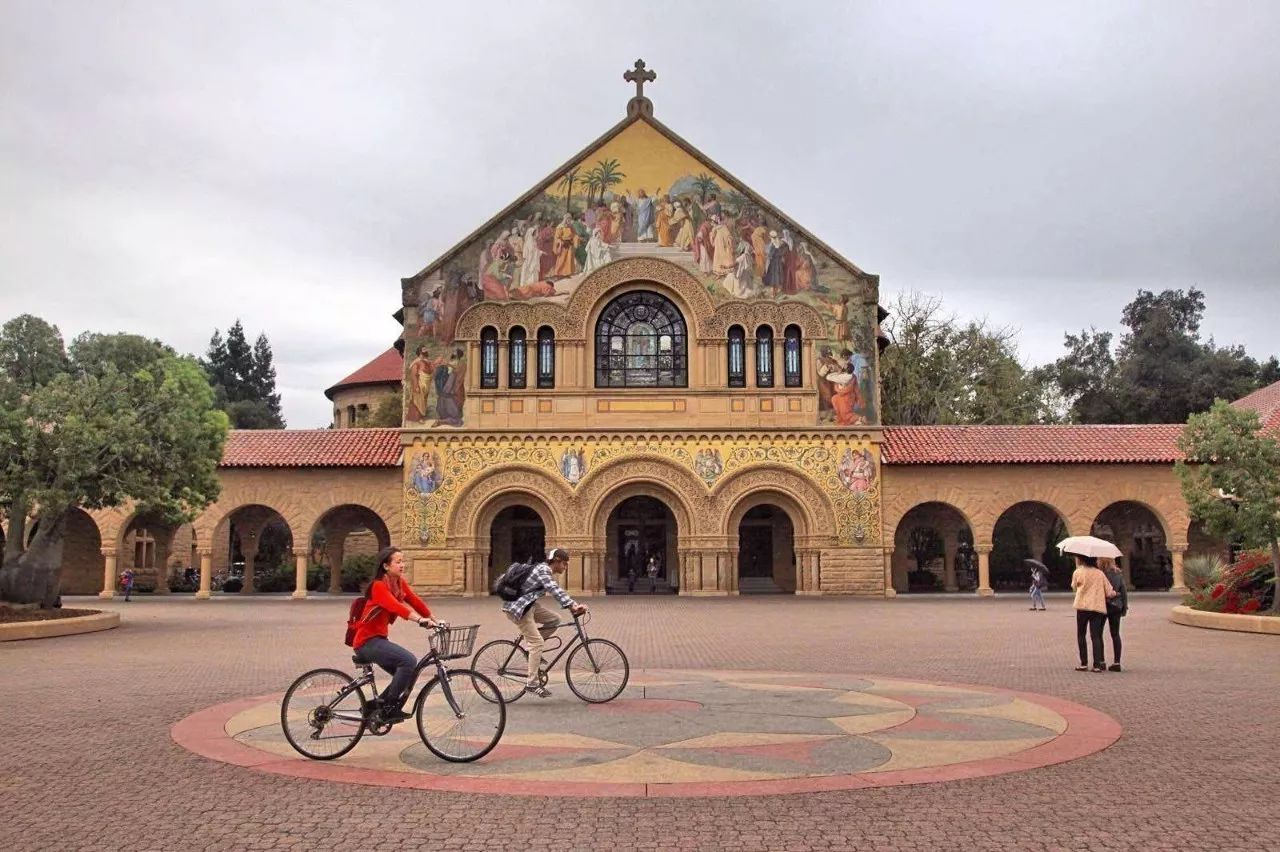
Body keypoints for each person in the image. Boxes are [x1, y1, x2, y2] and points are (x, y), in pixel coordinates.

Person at [350, 546, 439, 722]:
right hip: (366, 642)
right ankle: (389, 708)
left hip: (378, 639)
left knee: (409, 673)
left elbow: (414, 600)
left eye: (403, 561)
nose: (402, 565)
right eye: (398, 562)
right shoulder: (378, 586)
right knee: (408, 661)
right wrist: (419, 620)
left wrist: (434, 619)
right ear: (386, 566)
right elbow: (395, 606)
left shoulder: (398, 583)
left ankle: (374, 707)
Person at [501, 547, 587, 698]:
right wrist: (573, 605)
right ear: (557, 561)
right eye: (565, 564)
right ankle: (532, 683)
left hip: (529, 606)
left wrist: (571, 607)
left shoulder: (544, 570)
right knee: (537, 643)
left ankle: (531, 649)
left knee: (554, 619)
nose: (565, 568)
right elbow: (554, 590)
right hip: (519, 609)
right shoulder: (543, 570)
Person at [1070, 554, 1117, 672]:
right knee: (1095, 636)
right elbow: (1109, 592)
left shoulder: (1078, 572)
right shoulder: (1100, 573)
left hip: (1082, 607)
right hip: (1097, 607)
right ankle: (1097, 665)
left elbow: (1074, 587)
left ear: (1081, 559)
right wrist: (1115, 594)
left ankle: (1083, 663)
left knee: (1081, 634)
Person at [1100, 557, 1128, 671]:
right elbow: (1124, 592)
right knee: (1115, 634)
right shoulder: (1118, 574)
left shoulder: (1100, 574)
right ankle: (1117, 662)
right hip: (1116, 606)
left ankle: (1101, 661)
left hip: (1102, 605)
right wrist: (1124, 607)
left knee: (1098, 634)